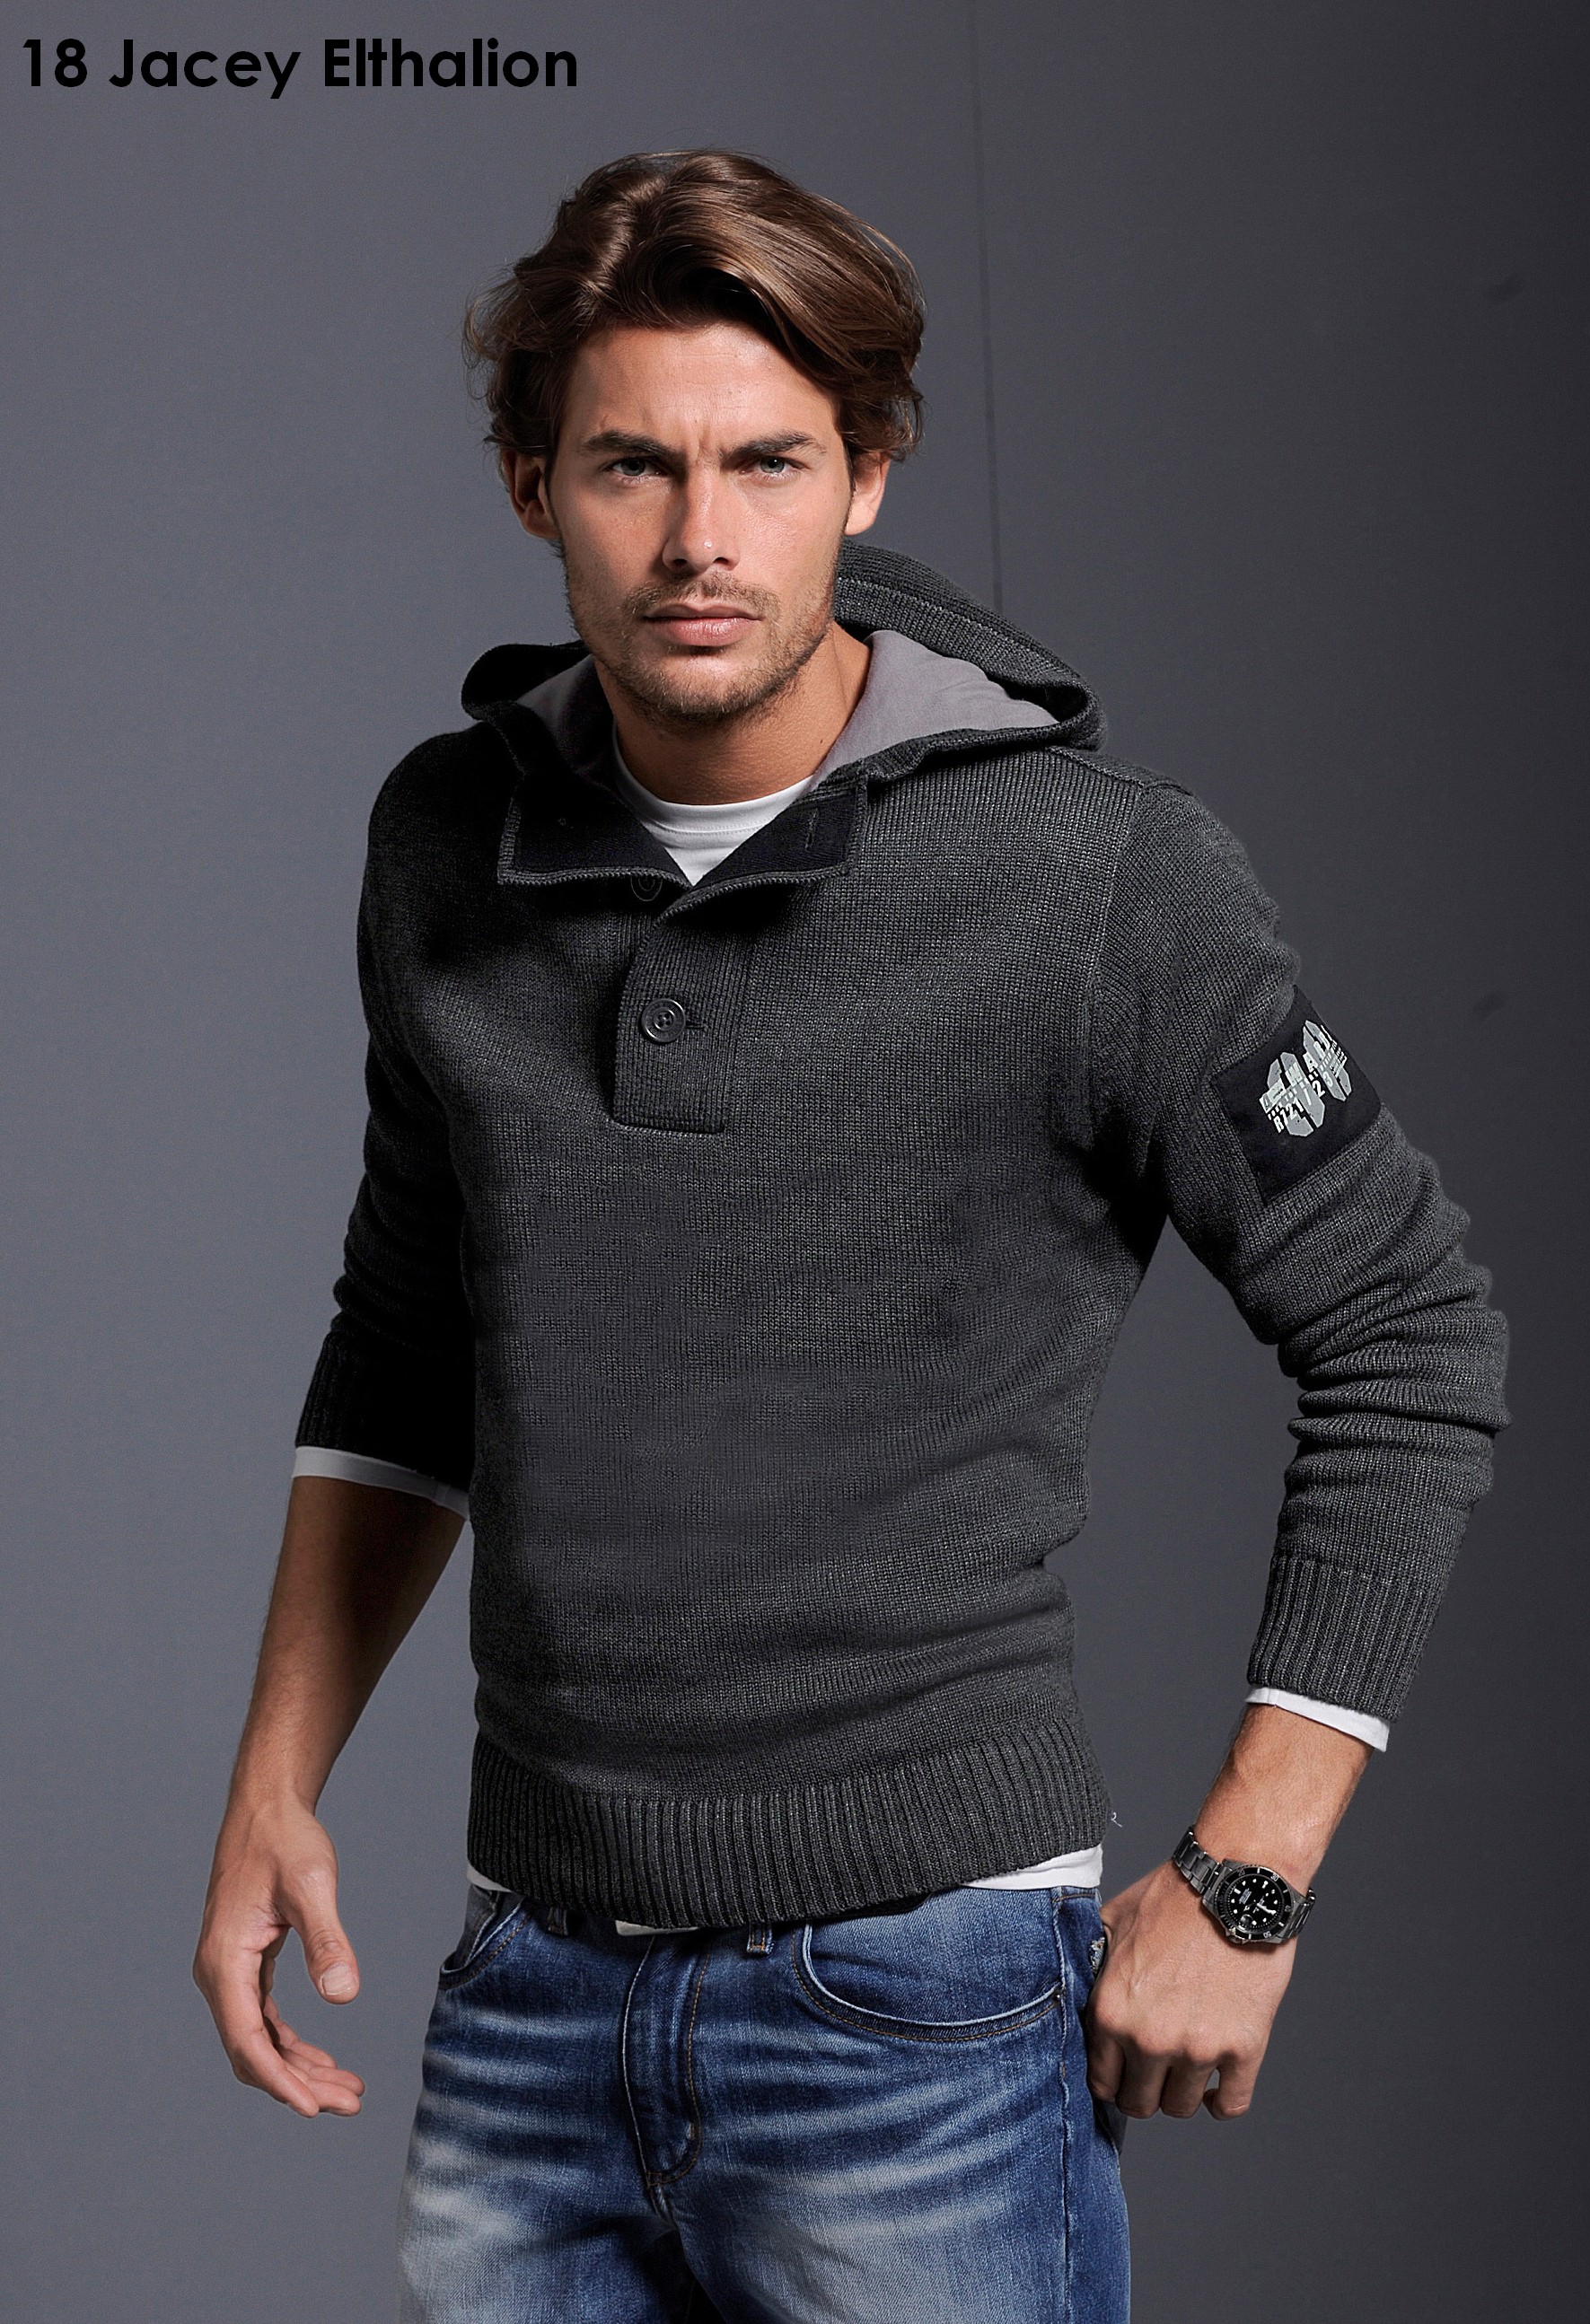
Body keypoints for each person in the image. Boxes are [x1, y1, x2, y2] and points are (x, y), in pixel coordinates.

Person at [192, 149, 1509, 2323]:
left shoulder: (1100, 881)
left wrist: (1251, 1873)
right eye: (631, 464)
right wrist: (275, 1777)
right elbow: (411, 1334)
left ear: (866, 474)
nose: (700, 538)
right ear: (532, 486)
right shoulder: (443, 837)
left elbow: (1413, 1330)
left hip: (924, 2002)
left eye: (768, 463)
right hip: (529, 1989)